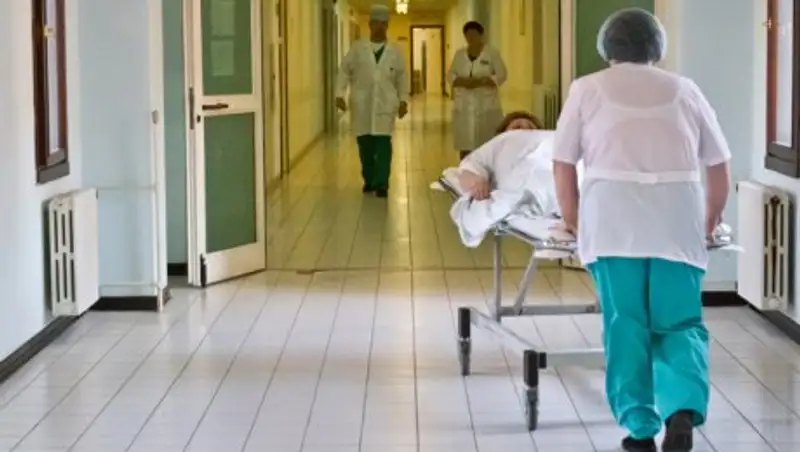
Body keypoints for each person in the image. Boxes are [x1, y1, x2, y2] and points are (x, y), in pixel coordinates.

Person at [552, 8, 731, 452]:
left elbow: (563, 162)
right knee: (680, 322)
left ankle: (640, 429)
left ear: (607, 47)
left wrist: (572, 219)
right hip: (676, 222)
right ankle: (681, 409)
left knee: (624, 324)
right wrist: (711, 216)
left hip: (612, 225)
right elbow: (718, 163)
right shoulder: (685, 89)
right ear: (657, 47)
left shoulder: (586, 88)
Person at [335, 4, 409, 198]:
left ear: (387, 26)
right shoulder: (358, 49)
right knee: (365, 145)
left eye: (383, 23)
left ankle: (382, 183)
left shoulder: (395, 51)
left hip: (385, 104)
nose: (379, 27)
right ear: (370, 25)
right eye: (376, 23)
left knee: (383, 144)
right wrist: (339, 94)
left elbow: (402, 78)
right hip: (362, 104)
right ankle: (369, 180)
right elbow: (344, 71)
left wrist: (403, 100)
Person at [447, 21, 508, 161]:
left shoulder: (492, 53)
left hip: (486, 106)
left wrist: (484, 81)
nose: (471, 38)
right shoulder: (459, 54)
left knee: (486, 144)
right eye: (468, 35)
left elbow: (502, 74)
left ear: (481, 35)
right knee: (465, 144)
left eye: (474, 35)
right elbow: (450, 75)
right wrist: (462, 81)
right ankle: (465, 169)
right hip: (464, 107)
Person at [458, 111, 544, 200]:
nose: (524, 131)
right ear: (502, 134)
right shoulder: (495, 147)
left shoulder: (546, 147)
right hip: (507, 200)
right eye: (517, 127)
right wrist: (476, 182)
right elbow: (470, 167)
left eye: (531, 129)